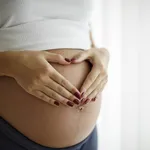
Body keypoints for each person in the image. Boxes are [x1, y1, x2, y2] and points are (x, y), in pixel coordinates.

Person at [0, 0, 109, 150]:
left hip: (87, 140)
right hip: (11, 135)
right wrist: (11, 64)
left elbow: (83, 32)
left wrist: (102, 54)